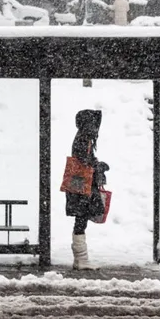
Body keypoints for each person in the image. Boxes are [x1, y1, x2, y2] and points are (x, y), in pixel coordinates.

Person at [65, 109, 109, 270]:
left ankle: (80, 259)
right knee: (81, 218)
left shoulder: (84, 138)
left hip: (80, 184)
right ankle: (81, 259)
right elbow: (84, 162)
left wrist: (96, 164)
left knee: (81, 219)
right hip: (82, 185)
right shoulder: (83, 139)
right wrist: (98, 166)